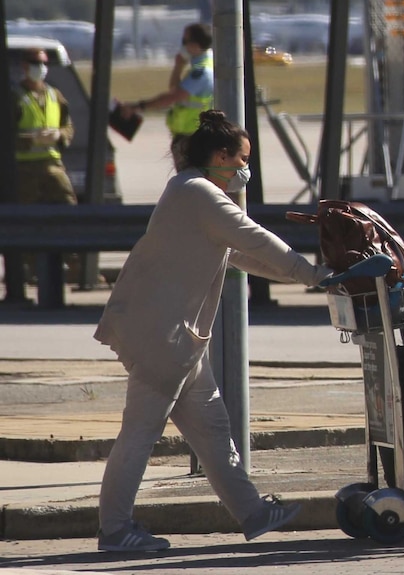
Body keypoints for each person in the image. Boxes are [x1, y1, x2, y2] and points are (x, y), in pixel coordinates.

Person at [93, 109, 332, 552]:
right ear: (220, 155)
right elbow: (254, 238)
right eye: (242, 158)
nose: (245, 168)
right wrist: (313, 276)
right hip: (162, 337)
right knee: (140, 434)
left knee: (212, 427)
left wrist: (311, 276)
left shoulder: (191, 190)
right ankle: (115, 530)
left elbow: (240, 256)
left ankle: (254, 513)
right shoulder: (199, 193)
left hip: (179, 338)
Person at [13, 47, 78, 284]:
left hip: (52, 165)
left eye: (43, 63)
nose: (40, 68)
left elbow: (68, 126)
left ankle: (75, 266)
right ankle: (31, 270)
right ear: (24, 66)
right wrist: (32, 141)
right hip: (24, 169)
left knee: (69, 209)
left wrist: (59, 136)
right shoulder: (13, 96)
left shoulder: (54, 95)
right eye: (34, 63)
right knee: (27, 220)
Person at [120, 23, 214, 170]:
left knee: (189, 184)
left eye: (184, 41)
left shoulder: (201, 72)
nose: (182, 46)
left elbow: (173, 96)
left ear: (195, 45)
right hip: (191, 135)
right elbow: (174, 89)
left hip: (193, 137)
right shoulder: (202, 66)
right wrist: (178, 67)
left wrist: (139, 106)